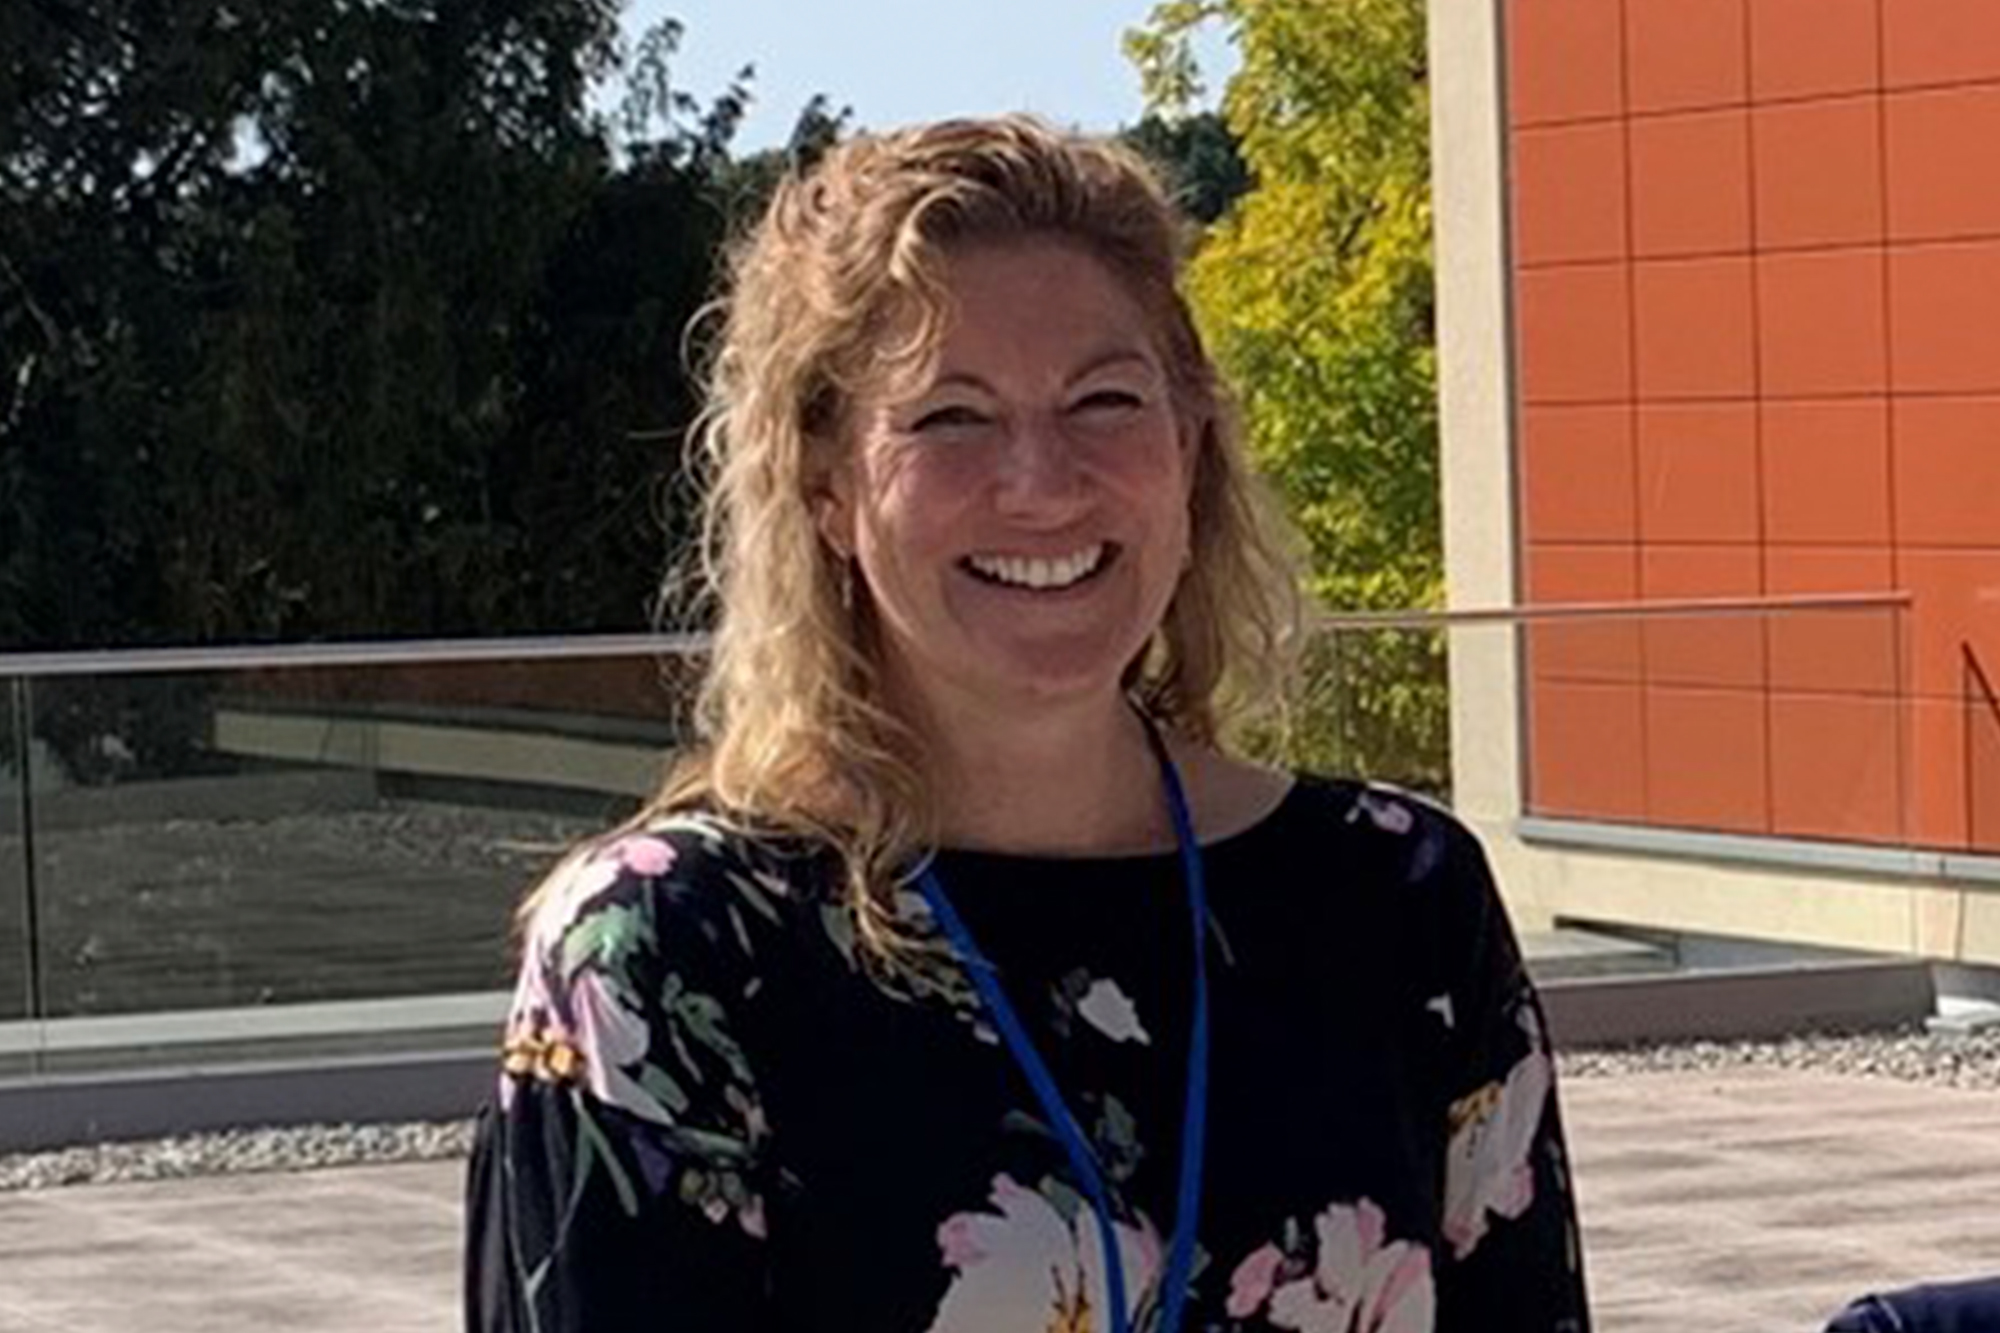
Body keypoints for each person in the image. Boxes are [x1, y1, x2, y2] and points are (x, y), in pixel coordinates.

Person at [464, 115, 1591, 1333]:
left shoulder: (1401, 904)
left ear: (1188, 445)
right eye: (949, 417)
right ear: (825, 484)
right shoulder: (669, 951)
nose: (1042, 483)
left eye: (1103, 400)